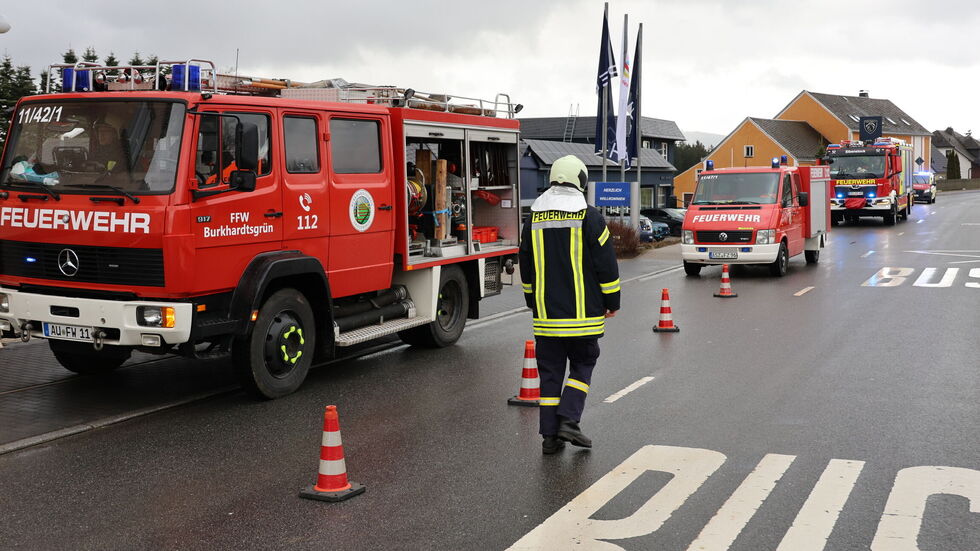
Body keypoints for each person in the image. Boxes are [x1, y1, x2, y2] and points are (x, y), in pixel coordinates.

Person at [518, 155, 621, 455]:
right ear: (580, 180)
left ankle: (549, 438)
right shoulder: (588, 216)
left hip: (546, 317)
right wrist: (612, 301)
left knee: (550, 374)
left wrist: (531, 299)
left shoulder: (532, 217)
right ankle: (569, 420)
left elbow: (526, 265)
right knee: (583, 363)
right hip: (583, 317)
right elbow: (606, 265)